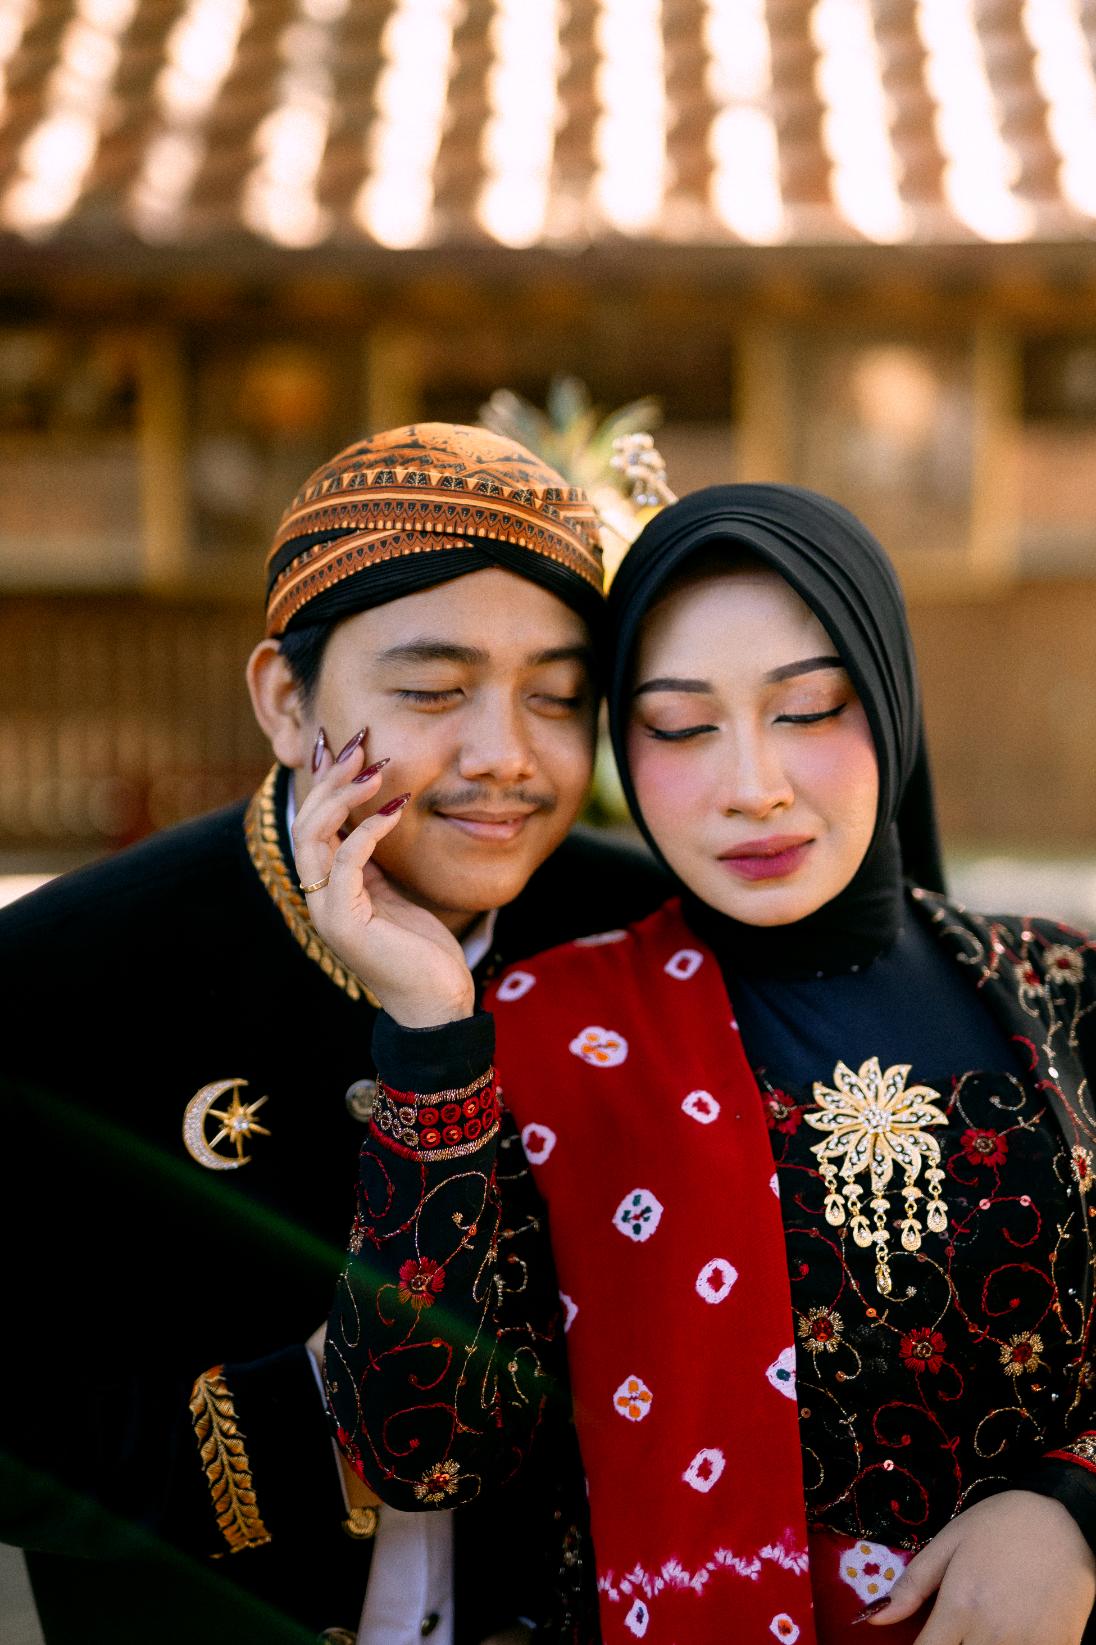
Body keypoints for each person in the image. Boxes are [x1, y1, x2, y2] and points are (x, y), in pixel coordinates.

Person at [300, 483, 1096, 1645]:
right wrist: (429, 1036)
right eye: (679, 726)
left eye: (809, 709)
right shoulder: (546, 1031)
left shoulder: (1064, 986)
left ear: (890, 701)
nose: (751, 785)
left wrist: (1070, 1505)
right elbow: (421, 1451)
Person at [0, 423, 668, 1645]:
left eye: (558, 697)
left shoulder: (642, 942)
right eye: (431, 691)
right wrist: (334, 1409)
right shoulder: (56, 978)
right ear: (284, 698)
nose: (504, 757)